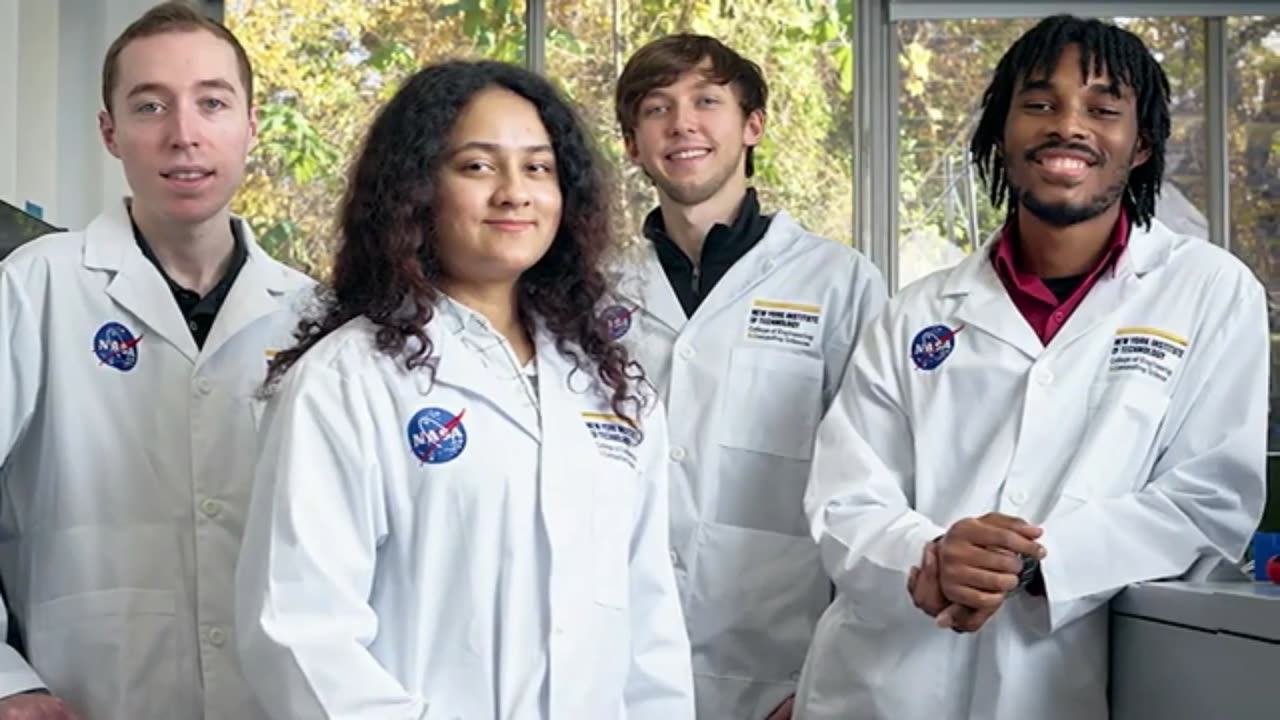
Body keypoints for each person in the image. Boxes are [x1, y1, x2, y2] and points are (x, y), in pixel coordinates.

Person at [795, 15, 1268, 720]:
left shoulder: (1208, 292)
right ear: (1002, 132)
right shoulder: (917, 313)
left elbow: (1210, 498)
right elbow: (844, 499)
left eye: (1103, 109)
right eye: (1039, 104)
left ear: (1140, 144)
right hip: (877, 687)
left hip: (1054, 683)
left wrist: (1038, 562)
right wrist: (926, 555)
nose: (1068, 127)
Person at [233, 60, 696, 719]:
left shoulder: (612, 387)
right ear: (417, 190)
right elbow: (301, 633)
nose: (515, 193)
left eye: (538, 168)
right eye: (478, 167)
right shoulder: (349, 378)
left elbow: (649, 629)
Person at [0, 2, 314, 719]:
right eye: (150, 106)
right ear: (109, 132)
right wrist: (6, 681)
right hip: (86, 697)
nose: (184, 135)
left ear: (251, 124)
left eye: (212, 102)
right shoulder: (35, 287)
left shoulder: (312, 317)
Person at [608, 34, 887, 720]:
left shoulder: (838, 283)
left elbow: (876, 487)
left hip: (781, 670)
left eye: (707, 101)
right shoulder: (591, 291)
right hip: (615, 661)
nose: (682, 124)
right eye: (656, 108)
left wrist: (830, 674)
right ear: (633, 144)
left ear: (752, 125)